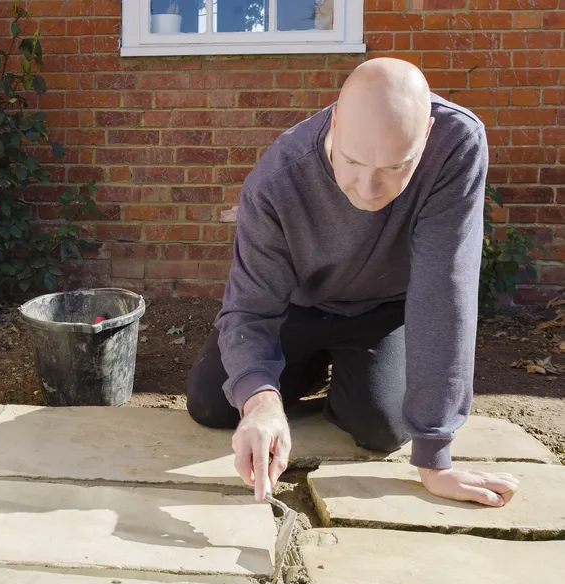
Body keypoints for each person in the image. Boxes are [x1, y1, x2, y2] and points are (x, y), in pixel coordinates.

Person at [186, 57, 520, 508]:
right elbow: (250, 307)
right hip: (298, 307)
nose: (368, 188)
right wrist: (261, 402)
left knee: (383, 427)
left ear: (425, 137)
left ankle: (347, 382)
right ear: (335, 121)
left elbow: (444, 289)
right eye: (354, 161)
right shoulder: (278, 179)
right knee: (215, 403)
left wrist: (435, 457)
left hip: (382, 310)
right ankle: (297, 384)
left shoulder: (455, 144)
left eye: (394, 167)